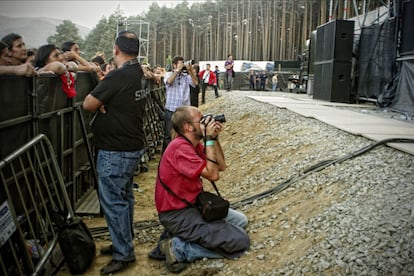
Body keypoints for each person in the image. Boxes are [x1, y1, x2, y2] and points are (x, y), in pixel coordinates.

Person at [154, 106, 250, 273]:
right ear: (188, 127)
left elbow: (221, 166)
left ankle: (182, 237)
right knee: (240, 242)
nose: (207, 121)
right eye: (202, 119)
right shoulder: (180, 148)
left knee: (241, 221)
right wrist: (209, 141)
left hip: (193, 206)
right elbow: (213, 175)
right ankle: (179, 248)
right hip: (177, 214)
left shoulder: (192, 144)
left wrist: (214, 138)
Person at [82, 30, 147, 275]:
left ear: (115, 50)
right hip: (131, 145)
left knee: (114, 201)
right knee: (125, 197)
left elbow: (89, 104)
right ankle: (124, 239)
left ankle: (124, 253)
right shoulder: (138, 72)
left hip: (115, 150)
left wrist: (101, 101)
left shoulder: (119, 76)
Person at [161, 56, 198, 153]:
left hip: (184, 111)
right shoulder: (168, 74)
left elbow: (195, 83)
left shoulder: (186, 77)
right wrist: (177, 71)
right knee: (168, 136)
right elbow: (169, 82)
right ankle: (166, 158)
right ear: (174, 65)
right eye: (180, 63)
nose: (183, 65)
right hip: (171, 110)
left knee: (184, 135)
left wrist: (190, 71)